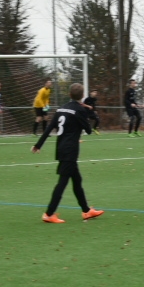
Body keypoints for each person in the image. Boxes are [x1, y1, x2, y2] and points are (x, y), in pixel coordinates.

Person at [31, 82, 104, 224]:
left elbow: (49, 128)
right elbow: (89, 130)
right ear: (82, 96)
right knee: (62, 182)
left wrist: (38, 145)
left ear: (69, 94)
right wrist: (87, 113)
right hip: (70, 150)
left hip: (61, 148)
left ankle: (86, 211)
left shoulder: (61, 108)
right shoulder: (80, 110)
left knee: (77, 180)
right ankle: (49, 214)